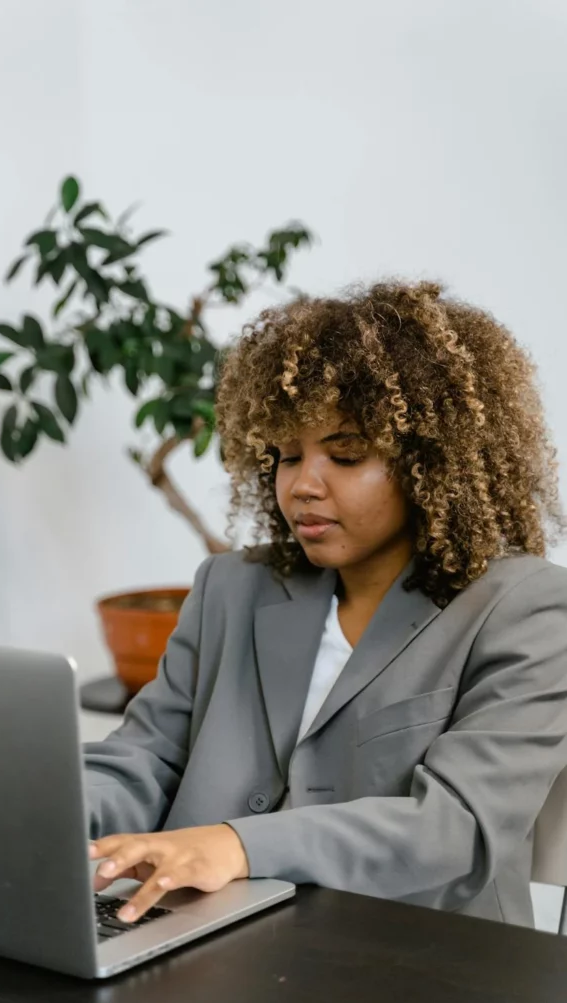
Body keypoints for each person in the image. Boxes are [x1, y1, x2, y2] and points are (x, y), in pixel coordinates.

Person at [85, 279, 567, 929]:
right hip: (198, 937)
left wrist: (236, 844)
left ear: (431, 461)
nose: (301, 486)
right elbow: (145, 759)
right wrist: (53, 810)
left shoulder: (525, 608)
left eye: (344, 455)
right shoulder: (231, 587)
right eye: (286, 456)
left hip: (416, 959)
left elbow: (453, 826)